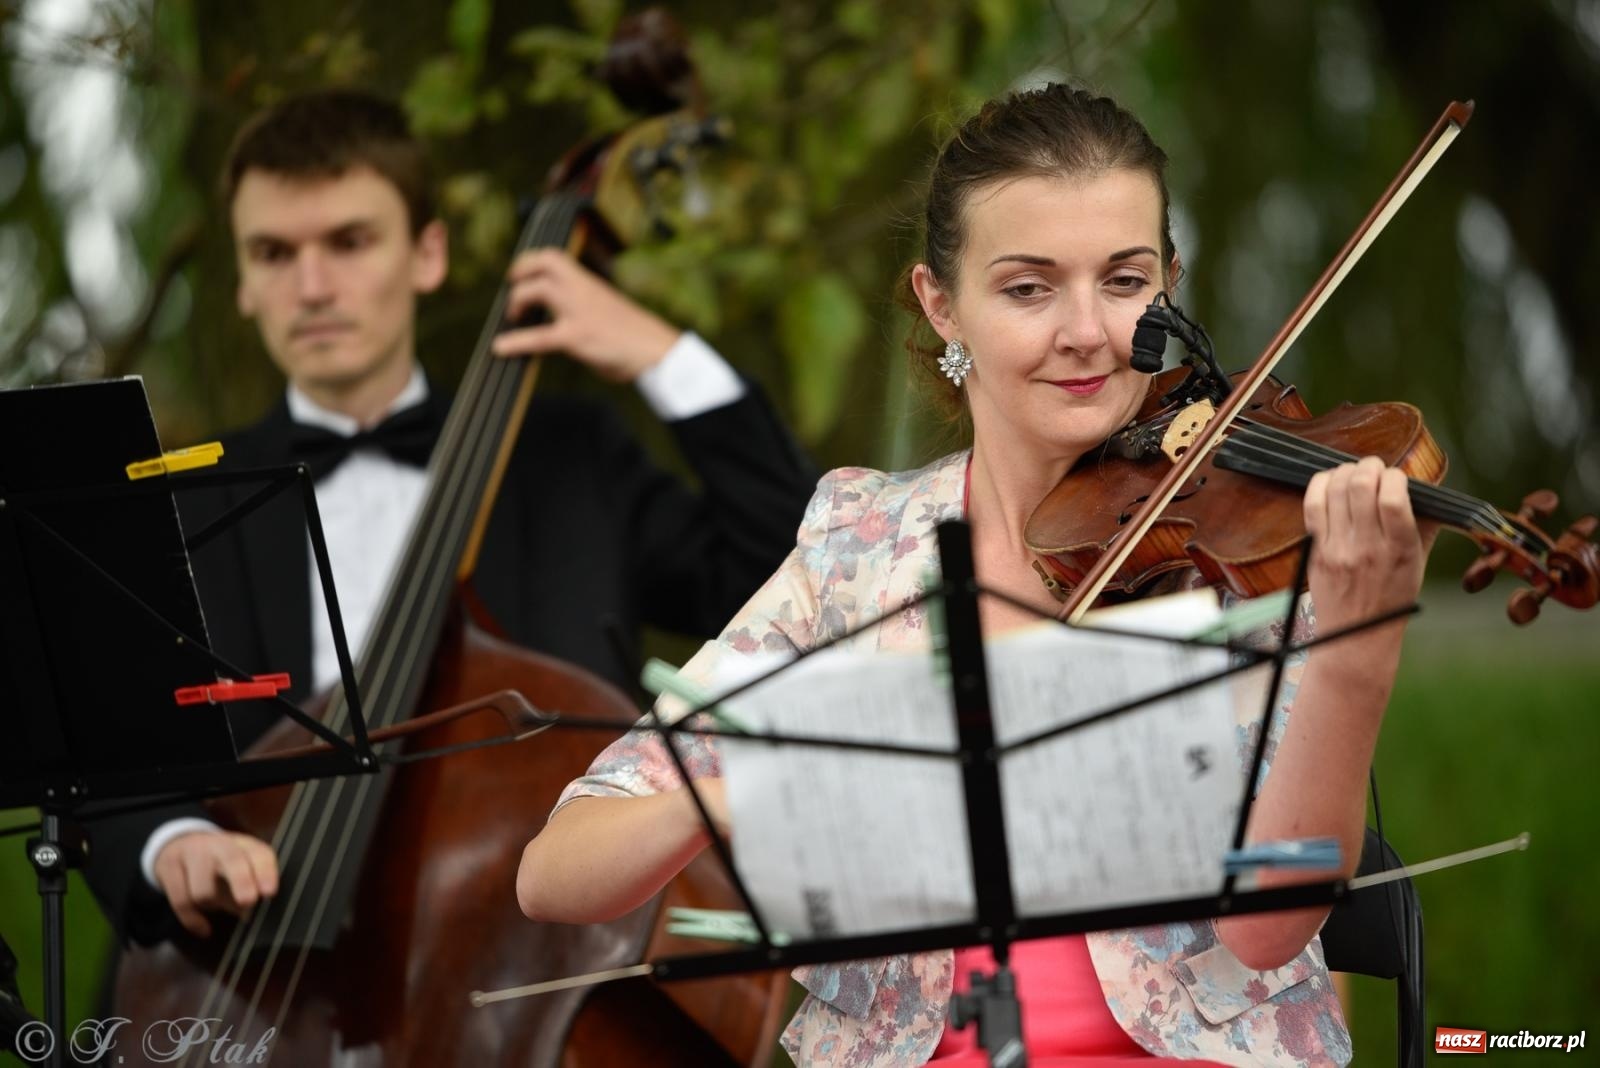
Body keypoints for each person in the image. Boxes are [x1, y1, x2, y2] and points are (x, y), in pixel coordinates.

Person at [516, 84, 1433, 1067]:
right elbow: (555, 875)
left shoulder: (1234, 541)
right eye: (1028, 288)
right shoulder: (858, 543)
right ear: (940, 303)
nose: (1086, 331)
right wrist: (760, 788)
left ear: (1169, 286)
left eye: (1123, 282)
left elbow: (1268, 927)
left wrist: (1356, 651)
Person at [80, 89, 816, 947]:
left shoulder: (569, 458)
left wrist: (665, 357)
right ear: (242, 282)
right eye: (275, 253)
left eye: (350, 243)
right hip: (247, 971)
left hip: (534, 963)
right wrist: (174, 843)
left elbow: (793, 581)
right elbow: (104, 760)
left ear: (427, 253)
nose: (313, 287)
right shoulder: (179, 503)